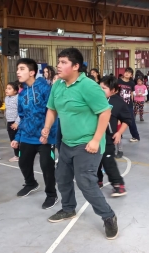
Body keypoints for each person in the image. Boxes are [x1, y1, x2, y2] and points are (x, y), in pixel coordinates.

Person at [40, 48, 118, 240]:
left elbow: (105, 112)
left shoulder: (89, 87)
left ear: (76, 66)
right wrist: (47, 127)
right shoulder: (57, 85)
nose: (58, 65)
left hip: (87, 144)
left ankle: (108, 216)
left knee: (86, 182)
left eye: (64, 62)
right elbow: (51, 109)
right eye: (58, 61)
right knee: (63, 178)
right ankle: (68, 209)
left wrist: (96, 139)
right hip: (66, 142)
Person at [11, 58, 58, 210]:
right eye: (17, 69)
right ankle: (31, 183)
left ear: (32, 72)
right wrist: (18, 137)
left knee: (47, 166)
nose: (18, 72)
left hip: (44, 137)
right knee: (23, 163)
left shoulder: (45, 89)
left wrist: (48, 134)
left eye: (22, 69)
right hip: (27, 136)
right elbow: (22, 117)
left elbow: (53, 113)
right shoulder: (22, 94)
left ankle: (51, 194)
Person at [97, 75, 132, 196]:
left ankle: (118, 184)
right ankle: (98, 181)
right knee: (95, 161)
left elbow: (127, 119)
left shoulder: (118, 103)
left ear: (114, 90)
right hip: (95, 137)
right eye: (100, 87)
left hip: (108, 138)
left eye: (104, 88)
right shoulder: (96, 99)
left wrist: (119, 133)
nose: (101, 90)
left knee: (108, 161)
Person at [118, 67, 140, 142]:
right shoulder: (118, 81)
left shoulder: (131, 83)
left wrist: (132, 103)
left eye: (129, 73)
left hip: (128, 105)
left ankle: (136, 136)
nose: (127, 73)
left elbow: (131, 94)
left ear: (131, 75)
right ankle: (118, 135)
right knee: (118, 121)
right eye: (126, 72)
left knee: (131, 121)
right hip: (119, 105)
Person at [5, 82, 20, 162]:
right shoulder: (6, 98)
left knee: (18, 140)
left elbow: (20, 112)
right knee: (12, 139)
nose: (6, 90)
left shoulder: (18, 98)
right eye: (6, 88)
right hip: (9, 122)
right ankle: (16, 155)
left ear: (15, 91)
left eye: (9, 88)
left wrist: (17, 122)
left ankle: (21, 155)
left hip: (16, 122)